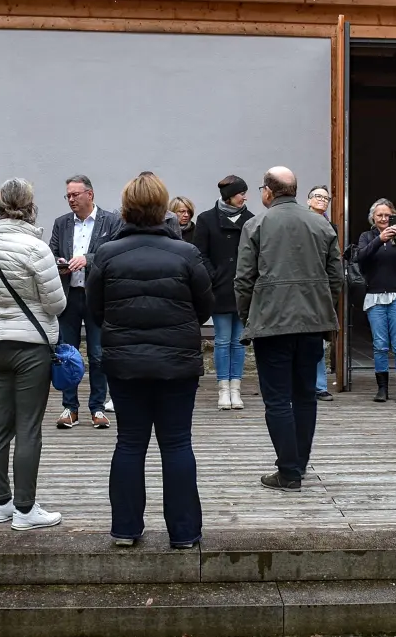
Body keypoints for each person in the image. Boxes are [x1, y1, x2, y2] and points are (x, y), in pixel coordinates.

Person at [89, 172, 214, 548]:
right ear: (164, 209)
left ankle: (126, 529)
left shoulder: (107, 254)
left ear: (126, 208)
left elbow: (95, 312)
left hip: (125, 364)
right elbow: (205, 308)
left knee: (129, 443)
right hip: (177, 363)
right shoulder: (186, 254)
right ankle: (184, 533)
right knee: (177, 444)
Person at [236, 167, 344, 492]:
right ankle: (298, 463)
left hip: (271, 324)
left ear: (268, 191)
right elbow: (336, 276)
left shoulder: (256, 225)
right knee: (305, 395)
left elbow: (243, 279)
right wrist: (323, 307)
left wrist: (248, 318)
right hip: (312, 323)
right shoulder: (321, 224)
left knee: (278, 400)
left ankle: (288, 471)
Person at [0, 177, 68, 530]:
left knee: (1, 425)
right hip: (31, 345)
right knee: (28, 428)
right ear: (30, 206)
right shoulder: (36, 248)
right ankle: (26, 510)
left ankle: (0, 503)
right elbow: (56, 304)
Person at [50, 174, 121, 429]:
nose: (71, 200)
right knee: (67, 353)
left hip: (97, 296)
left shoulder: (111, 221)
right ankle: (70, 408)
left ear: (89, 194)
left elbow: (114, 254)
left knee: (98, 354)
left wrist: (87, 259)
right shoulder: (62, 223)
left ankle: (98, 408)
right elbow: (53, 252)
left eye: (75, 195)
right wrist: (60, 263)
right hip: (69, 296)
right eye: (68, 195)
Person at [194, 175, 256, 410]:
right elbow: (200, 253)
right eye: (241, 193)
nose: (245, 197)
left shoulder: (251, 220)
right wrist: (214, 276)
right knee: (221, 340)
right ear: (230, 195)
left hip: (243, 290)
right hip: (219, 290)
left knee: (239, 342)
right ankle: (223, 389)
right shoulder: (207, 219)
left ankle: (236, 388)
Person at [357, 198, 396, 403]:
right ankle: (382, 388)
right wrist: (379, 240)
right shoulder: (367, 236)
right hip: (374, 295)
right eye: (379, 215)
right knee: (380, 345)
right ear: (372, 218)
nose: (384, 218)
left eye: (387, 215)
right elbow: (361, 258)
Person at [306, 185, 335, 400]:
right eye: (317, 196)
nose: (322, 200)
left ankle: (320, 385)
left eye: (326, 198)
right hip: (303, 286)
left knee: (319, 341)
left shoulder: (330, 226)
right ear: (308, 200)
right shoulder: (300, 222)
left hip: (321, 288)